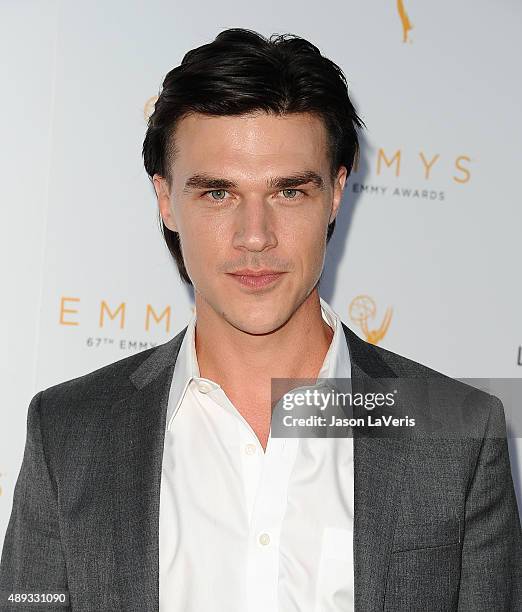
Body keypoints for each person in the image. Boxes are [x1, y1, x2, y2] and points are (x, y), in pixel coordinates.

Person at [1, 27, 520, 612]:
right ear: (166, 199)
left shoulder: (457, 432)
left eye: (289, 192)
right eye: (217, 193)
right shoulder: (69, 431)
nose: (255, 236)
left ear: (335, 193)